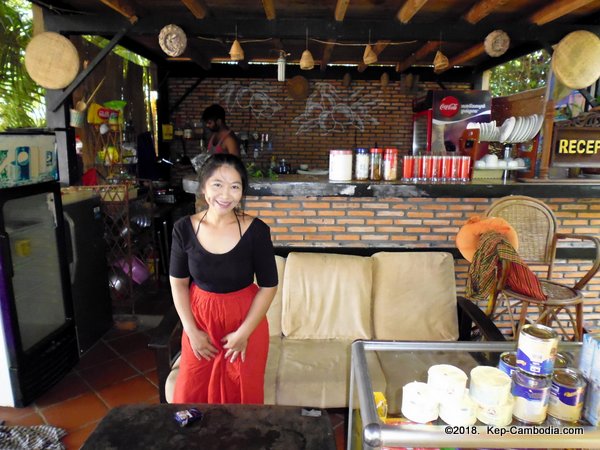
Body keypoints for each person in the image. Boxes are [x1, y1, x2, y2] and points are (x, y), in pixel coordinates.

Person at [169, 153, 278, 404]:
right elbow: (179, 283)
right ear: (204, 188)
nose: (226, 194)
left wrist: (243, 333)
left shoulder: (257, 231)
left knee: (242, 397)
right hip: (200, 322)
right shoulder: (184, 229)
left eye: (235, 186)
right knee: (190, 395)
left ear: (242, 192)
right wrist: (191, 330)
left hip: (245, 322)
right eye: (218, 184)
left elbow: (269, 286)